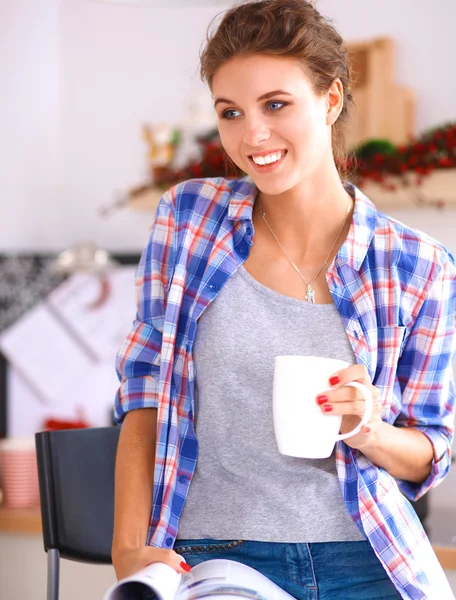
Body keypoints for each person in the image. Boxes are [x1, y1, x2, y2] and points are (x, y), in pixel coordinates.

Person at [111, 1, 456, 598]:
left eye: (276, 104)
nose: (253, 135)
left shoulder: (419, 264)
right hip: (217, 556)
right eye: (231, 113)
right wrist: (128, 551)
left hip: (370, 555)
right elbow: (144, 393)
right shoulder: (188, 220)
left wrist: (367, 428)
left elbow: (431, 450)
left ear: (329, 100)